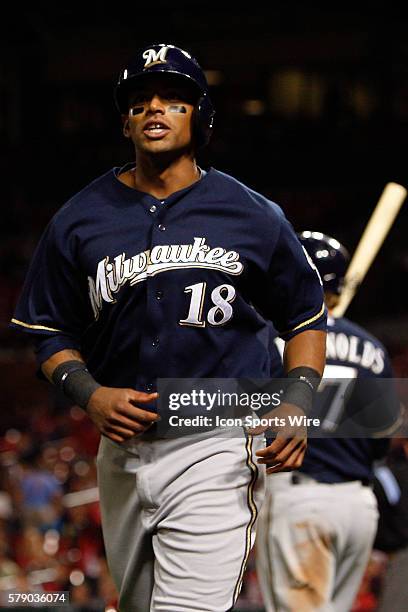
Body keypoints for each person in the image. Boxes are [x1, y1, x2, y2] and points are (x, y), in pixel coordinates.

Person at [10, 43, 327, 612]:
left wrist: (299, 402)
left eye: (173, 99)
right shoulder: (79, 218)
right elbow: (45, 329)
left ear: (199, 116)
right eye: (139, 101)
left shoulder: (252, 214)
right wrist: (88, 393)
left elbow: (305, 317)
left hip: (218, 438)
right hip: (122, 448)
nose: (154, 108)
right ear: (125, 121)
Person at [256, 230, 402, 612]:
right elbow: (382, 441)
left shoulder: (275, 341)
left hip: (302, 498)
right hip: (358, 507)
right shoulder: (372, 348)